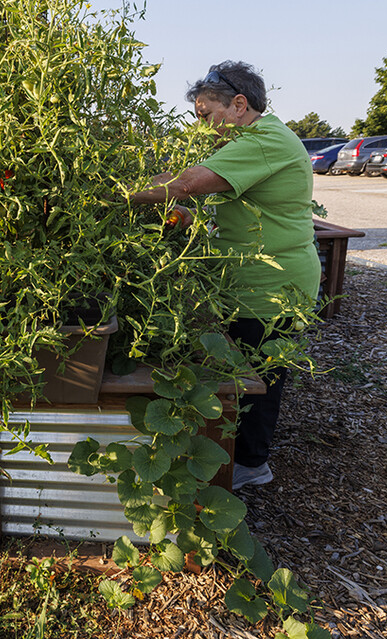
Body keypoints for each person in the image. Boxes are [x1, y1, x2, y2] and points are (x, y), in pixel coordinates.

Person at [130, 61, 320, 491]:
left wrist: (115, 191)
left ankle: (252, 463)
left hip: (273, 286)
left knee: (260, 377)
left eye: (205, 116)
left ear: (239, 104)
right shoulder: (250, 138)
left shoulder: (265, 139)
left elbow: (188, 183)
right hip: (250, 279)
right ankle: (241, 453)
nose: (201, 128)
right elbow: (210, 195)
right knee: (245, 372)